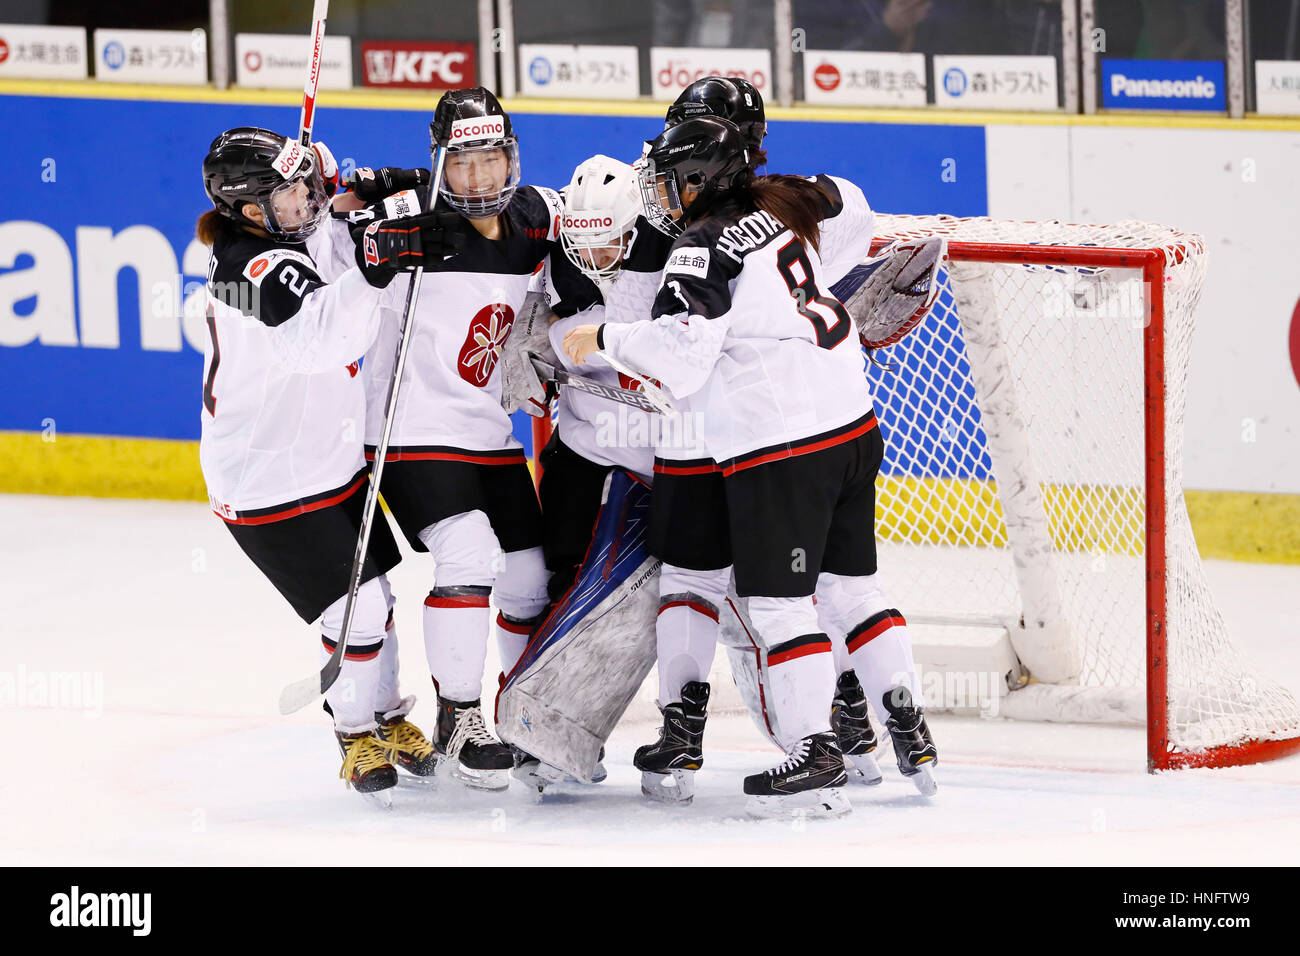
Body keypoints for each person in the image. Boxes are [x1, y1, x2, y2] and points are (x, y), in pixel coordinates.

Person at [565, 116, 935, 815]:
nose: (661, 191)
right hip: (852, 425)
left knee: (774, 602)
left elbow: (682, 356)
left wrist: (605, 337)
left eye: (672, 177)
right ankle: (906, 727)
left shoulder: (699, 247)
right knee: (853, 589)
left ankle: (814, 753)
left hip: (778, 446)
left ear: (703, 177)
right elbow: (850, 200)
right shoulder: (781, 203)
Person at [198, 127, 460, 797]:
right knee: (359, 610)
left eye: (305, 185)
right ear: (249, 211)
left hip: (329, 458)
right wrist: (375, 265)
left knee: (378, 604)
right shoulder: (247, 272)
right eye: (289, 196)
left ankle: (385, 714)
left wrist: (361, 191)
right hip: (267, 483)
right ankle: (352, 734)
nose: (306, 202)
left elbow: (350, 225)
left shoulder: (287, 234)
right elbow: (325, 339)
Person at [357, 88, 564, 791]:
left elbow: (607, 215)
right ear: (441, 162)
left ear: (513, 159)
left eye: (495, 159)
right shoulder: (406, 222)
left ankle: (525, 712)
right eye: (465, 162)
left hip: (486, 430)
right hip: (409, 431)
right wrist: (370, 231)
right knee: (469, 547)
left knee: (532, 577)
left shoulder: (535, 217)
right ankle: (458, 716)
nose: (482, 178)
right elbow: (334, 241)